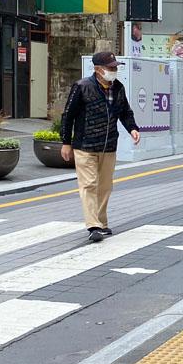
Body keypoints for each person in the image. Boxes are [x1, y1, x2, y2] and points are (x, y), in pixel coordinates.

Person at [59, 51, 141, 242]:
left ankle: (102, 223)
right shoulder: (82, 87)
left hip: (109, 145)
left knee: (105, 187)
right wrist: (66, 142)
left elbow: (125, 112)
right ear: (97, 69)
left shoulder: (118, 88)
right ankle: (93, 225)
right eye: (110, 68)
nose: (114, 71)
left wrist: (133, 129)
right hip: (85, 145)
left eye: (115, 68)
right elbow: (68, 116)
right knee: (89, 185)